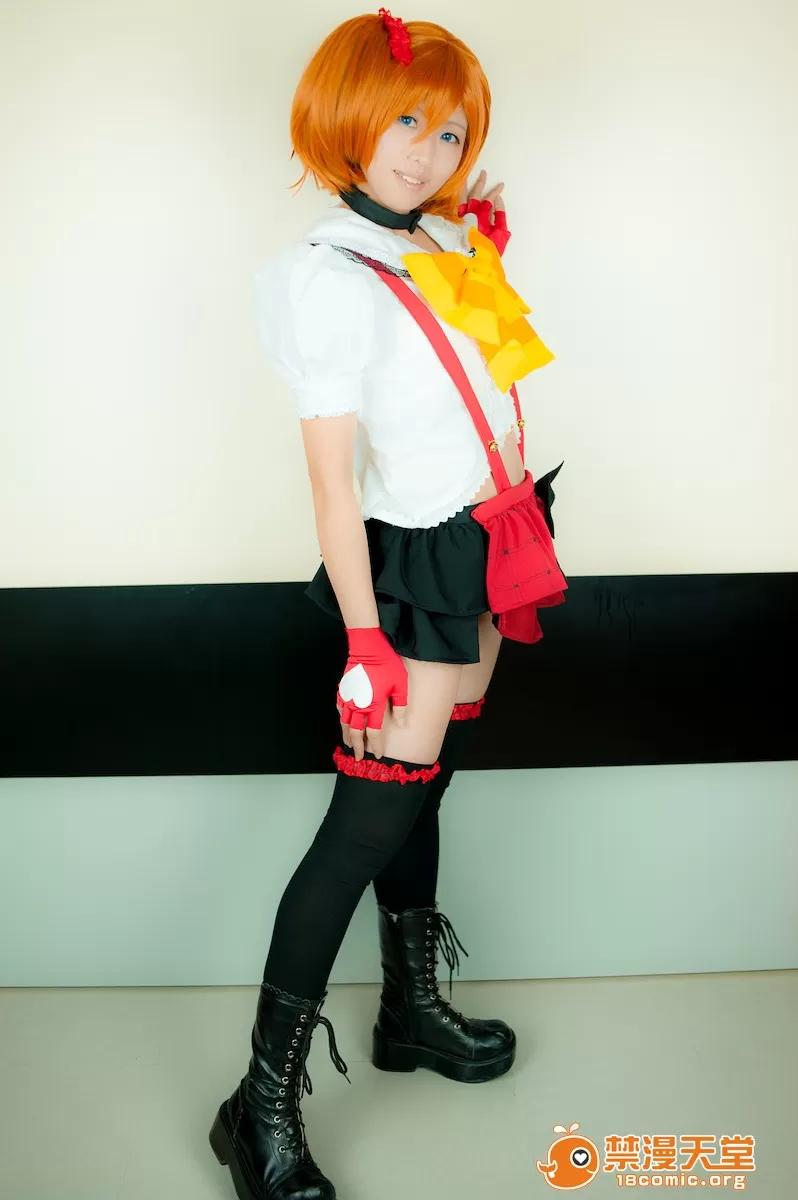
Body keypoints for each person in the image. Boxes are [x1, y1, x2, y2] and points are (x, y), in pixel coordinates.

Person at [209, 9, 566, 1199]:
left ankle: (409, 1008)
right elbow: (330, 487)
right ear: (348, 120)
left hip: (487, 545)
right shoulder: (324, 277)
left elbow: (478, 391)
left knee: (427, 788)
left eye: (449, 131)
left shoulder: (439, 242)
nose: (427, 150)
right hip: (409, 573)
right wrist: (364, 636)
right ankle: (255, 1105)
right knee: (361, 827)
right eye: (406, 120)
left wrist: (478, 246)